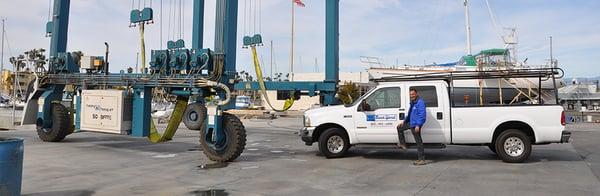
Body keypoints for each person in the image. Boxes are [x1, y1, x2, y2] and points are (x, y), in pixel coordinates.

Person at [396, 88, 427, 165]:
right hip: (411, 123)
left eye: (413, 94)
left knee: (419, 142)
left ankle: (422, 159)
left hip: (416, 125)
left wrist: (418, 125)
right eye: (410, 94)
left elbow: (422, 115)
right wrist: (404, 121)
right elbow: (410, 114)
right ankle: (403, 144)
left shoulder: (420, 102)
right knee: (399, 128)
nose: (411, 96)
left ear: (416, 94)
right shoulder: (413, 102)